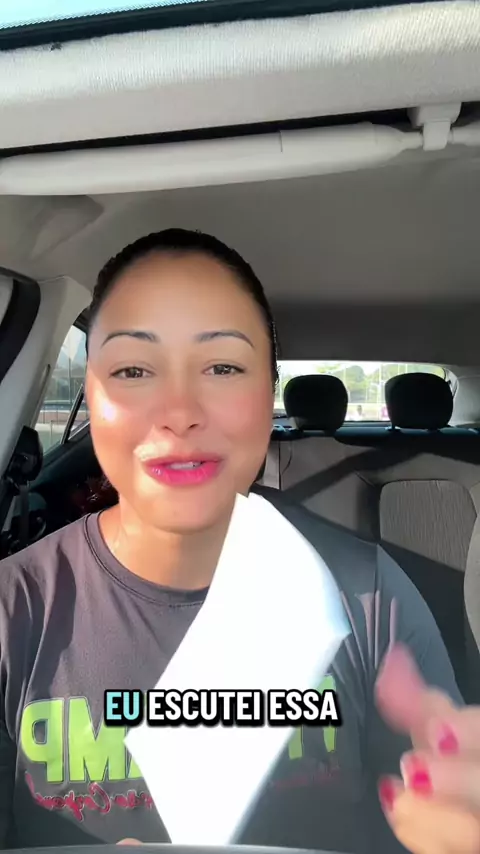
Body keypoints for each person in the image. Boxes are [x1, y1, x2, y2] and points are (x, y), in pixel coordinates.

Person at [0, 228, 476, 854]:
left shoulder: (370, 598)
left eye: (222, 367)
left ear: (268, 390)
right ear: (91, 392)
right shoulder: (13, 609)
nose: (179, 411)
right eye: (132, 369)